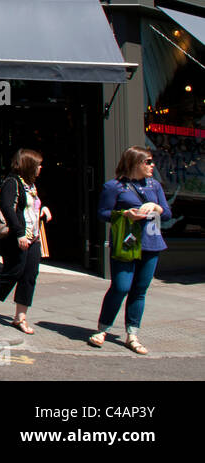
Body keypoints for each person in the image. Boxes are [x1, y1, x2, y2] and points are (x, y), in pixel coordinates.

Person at [88, 146, 171, 354]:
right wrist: (126, 213)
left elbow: (167, 214)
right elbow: (103, 213)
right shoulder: (114, 186)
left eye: (152, 162)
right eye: (148, 162)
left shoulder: (155, 186)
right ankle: (103, 329)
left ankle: (132, 335)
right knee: (121, 286)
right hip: (126, 242)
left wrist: (155, 207)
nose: (152, 166)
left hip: (151, 243)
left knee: (139, 290)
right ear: (135, 163)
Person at [0, 148, 52, 333]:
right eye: (38, 164)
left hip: (34, 238)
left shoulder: (30, 185)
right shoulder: (12, 183)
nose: (40, 168)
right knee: (12, 272)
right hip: (16, 237)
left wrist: (43, 209)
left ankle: (20, 318)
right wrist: (19, 234)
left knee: (29, 276)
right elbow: (7, 208)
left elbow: (30, 208)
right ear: (29, 165)